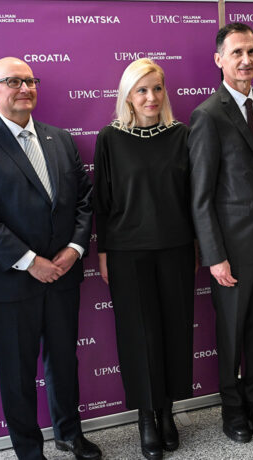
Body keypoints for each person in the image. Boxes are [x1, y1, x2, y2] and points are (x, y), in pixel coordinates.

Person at [0, 57, 98, 459]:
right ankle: (29, 451)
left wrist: (75, 249)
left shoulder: (60, 138)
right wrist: (32, 261)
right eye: (13, 81)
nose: (25, 88)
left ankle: (69, 434)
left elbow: (84, 200)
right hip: (8, 283)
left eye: (30, 81)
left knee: (64, 362)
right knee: (17, 375)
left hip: (63, 275)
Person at [93, 58, 195, 460]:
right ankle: (146, 417)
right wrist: (103, 251)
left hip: (176, 247)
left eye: (157, 88)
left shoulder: (181, 134)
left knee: (174, 331)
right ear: (128, 95)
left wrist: (197, 245)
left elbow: (192, 196)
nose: (151, 97)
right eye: (142, 90)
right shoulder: (110, 137)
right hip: (126, 252)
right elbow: (102, 200)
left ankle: (167, 411)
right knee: (140, 336)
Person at [188, 23, 253, 443]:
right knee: (230, 332)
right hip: (231, 251)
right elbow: (201, 195)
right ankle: (232, 408)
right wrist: (214, 256)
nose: (246, 60)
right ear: (219, 59)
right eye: (237, 52)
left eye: (252, 51)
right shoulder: (207, 115)